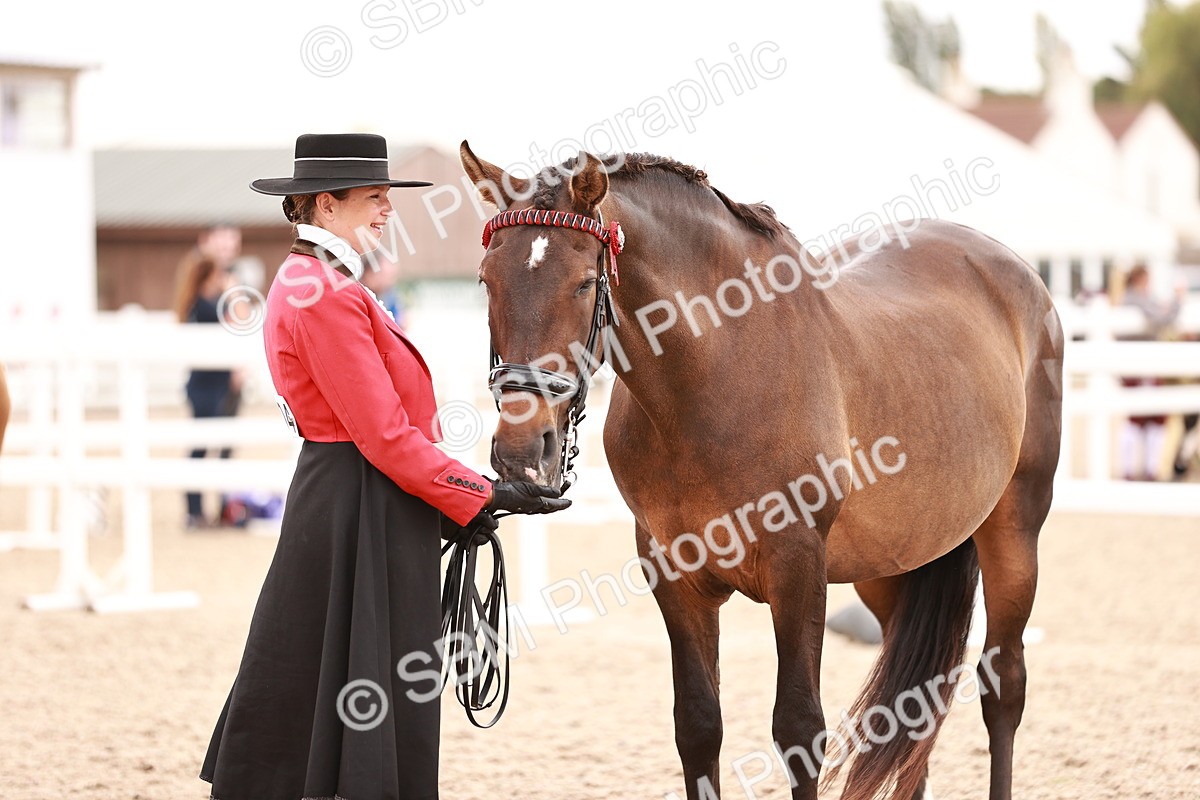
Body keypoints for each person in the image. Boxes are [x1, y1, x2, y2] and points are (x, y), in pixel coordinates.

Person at [200, 133, 570, 800]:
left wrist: (470, 494)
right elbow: (384, 437)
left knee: (326, 668)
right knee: (352, 669)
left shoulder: (323, 281)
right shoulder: (324, 292)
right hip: (358, 498)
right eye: (375, 198)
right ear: (325, 204)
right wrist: (481, 493)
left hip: (356, 494)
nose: (386, 210)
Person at [172, 249, 238, 528]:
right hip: (208, 386)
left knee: (211, 446)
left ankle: (203, 508)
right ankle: (197, 510)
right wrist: (233, 292)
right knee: (204, 446)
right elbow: (238, 322)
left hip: (210, 384)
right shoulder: (206, 305)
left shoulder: (198, 304)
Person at [1118, 264, 1184, 481]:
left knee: (1145, 418)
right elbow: (1159, 318)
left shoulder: (1131, 298)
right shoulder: (1135, 298)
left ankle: (1141, 469)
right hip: (1140, 367)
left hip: (1138, 366)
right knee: (1146, 419)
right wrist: (1178, 302)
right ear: (1140, 278)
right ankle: (1144, 470)